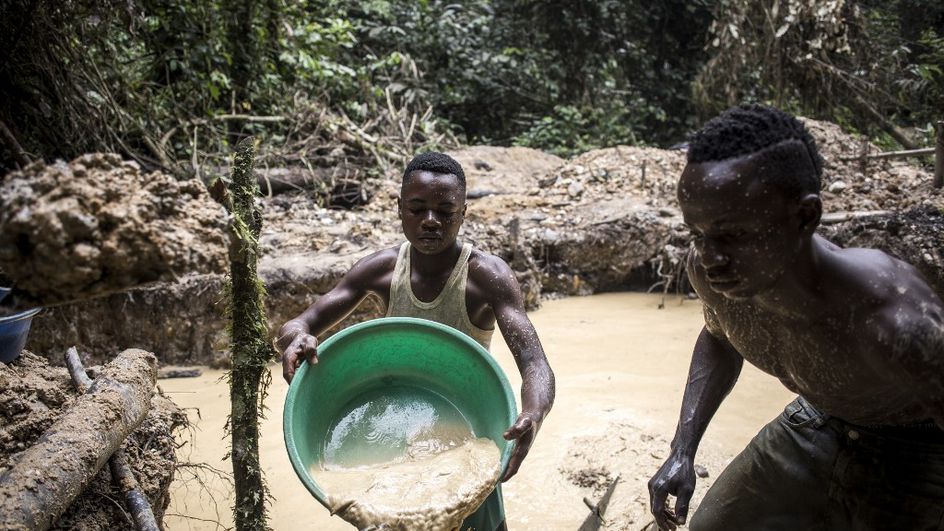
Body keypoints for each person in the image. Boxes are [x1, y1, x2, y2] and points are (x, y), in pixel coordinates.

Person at [647, 104, 944, 530]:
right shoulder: (713, 275)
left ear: (805, 216)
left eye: (733, 235)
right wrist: (682, 449)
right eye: (698, 234)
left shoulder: (892, 320)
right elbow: (719, 338)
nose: (710, 256)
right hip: (815, 418)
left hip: (919, 449)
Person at [276, 152, 555, 531]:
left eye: (445, 211)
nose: (430, 221)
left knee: (482, 521)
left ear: (464, 213)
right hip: (394, 426)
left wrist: (533, 414)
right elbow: (300, 323)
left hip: (468, 429)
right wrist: (297, 338)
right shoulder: (382, 268)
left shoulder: (487, 277)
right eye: (417, 208)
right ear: (400, 209)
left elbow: (535, 364)